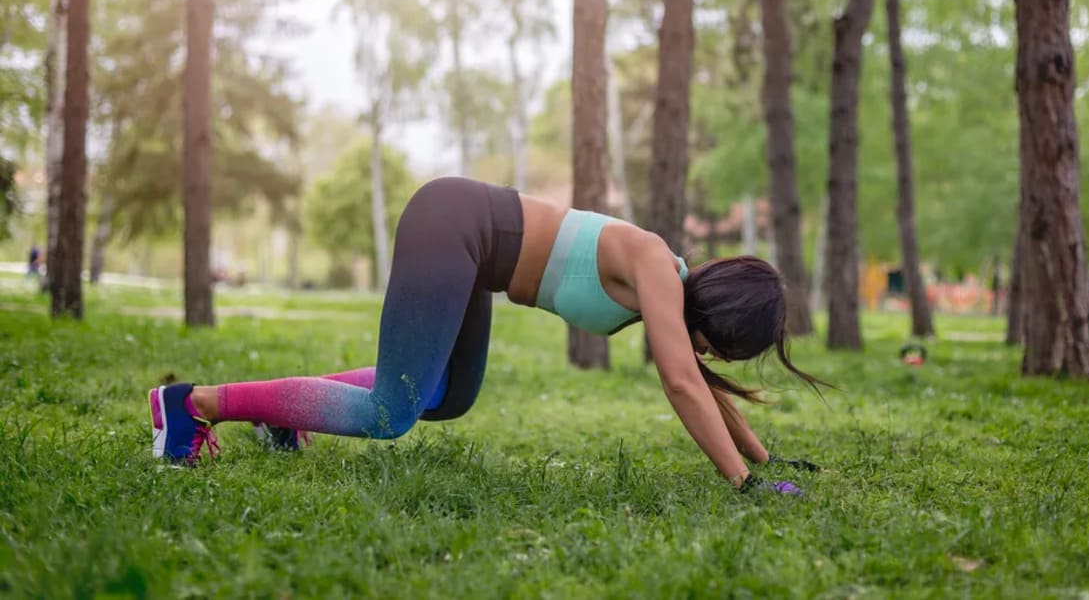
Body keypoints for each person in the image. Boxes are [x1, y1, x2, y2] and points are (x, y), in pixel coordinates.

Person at [148, 177, 828, 493]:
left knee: (443, 394)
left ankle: (280, 417)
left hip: (474, 255)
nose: (712, 355)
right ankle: (193, 403)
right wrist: (740, 485)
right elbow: (682, 381)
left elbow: (703, 386)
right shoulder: (656, 265)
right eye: (723, 342)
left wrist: (764, 462)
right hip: (455, 225)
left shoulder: (673, 303)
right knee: (393, 412)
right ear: (717, 317)